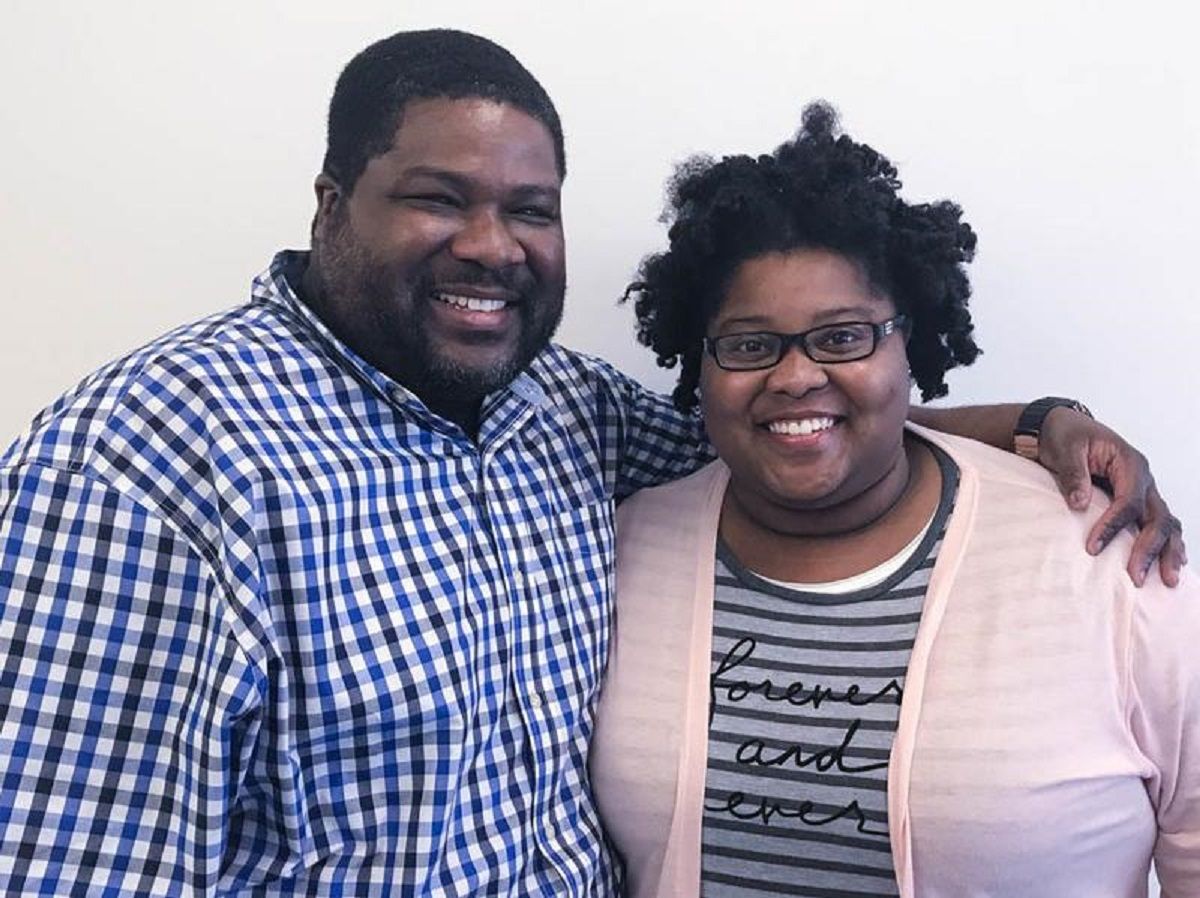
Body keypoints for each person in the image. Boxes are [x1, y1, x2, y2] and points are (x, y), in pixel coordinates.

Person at [0, 30, 1184, 898]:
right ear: (329, 203)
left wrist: (1041, 414)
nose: (490, 244)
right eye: (437, 198)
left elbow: (789, 427)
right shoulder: (139, 465)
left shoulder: (555, 410)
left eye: (531, 207)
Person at [589, 102, 1199, 897]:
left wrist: (1045, 417)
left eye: (843, 336)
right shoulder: (624, 550)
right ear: (697, 365)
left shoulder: (1106, 556)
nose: (795, 376)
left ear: (913, 342)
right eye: (748, 345)